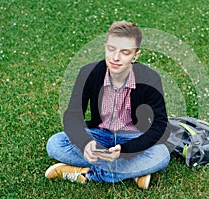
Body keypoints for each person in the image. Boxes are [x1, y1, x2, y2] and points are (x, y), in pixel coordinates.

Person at [45, 21, 170, 189]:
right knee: (55, 144)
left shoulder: (150, 79)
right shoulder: (88, 73)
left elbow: (159, 125)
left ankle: (86, 174)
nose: (115, 57)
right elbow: (73, 115)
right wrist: (85, 143)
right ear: (105, 47)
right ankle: (134, 172)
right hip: (99, 135)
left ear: (136, 55)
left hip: (132, 138)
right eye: (111, 49)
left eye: (125, 52)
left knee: (161, 155)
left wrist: (126, 150)